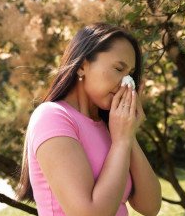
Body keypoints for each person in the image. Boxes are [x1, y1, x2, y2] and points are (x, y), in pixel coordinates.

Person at [16, 23, 162, 216]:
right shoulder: (52, 117)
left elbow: (150, 206)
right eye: (119, 69)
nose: (127, 84)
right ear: (83, 66)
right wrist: (121, 142)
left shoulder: (111, 128)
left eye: (130, 75)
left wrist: (128, 135)